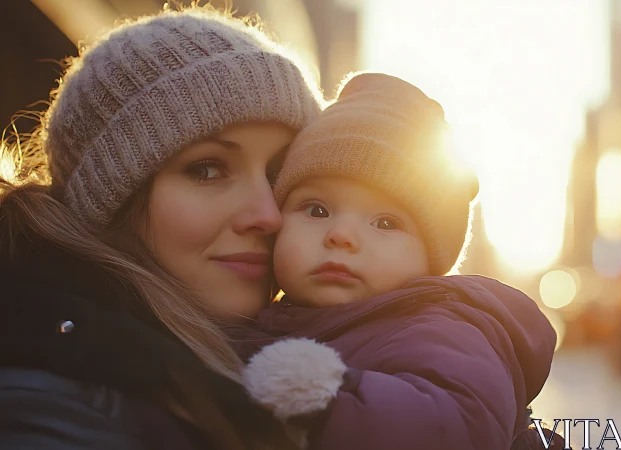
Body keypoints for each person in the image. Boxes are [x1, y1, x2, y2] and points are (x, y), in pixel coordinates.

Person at [0, 6, 326, 449]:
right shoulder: (52, 404)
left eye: (280, 174)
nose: (267, 216)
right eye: (207, 170)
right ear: (112, 200)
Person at [238, 73, 559, 450]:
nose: (341, 235)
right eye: (317, 209)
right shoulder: (253, 322)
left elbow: (458, 424)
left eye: (386, 223)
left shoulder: (443, 329)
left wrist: (331, 403)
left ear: (431, 259)